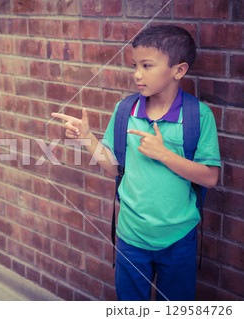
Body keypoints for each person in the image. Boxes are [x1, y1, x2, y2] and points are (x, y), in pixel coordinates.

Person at [51, 25, 221, 301]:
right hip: (131, 237)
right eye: (135, 65)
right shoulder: (125, 111)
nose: (137, 74)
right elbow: (114, 168)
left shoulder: (198, 116)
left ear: (178, 70)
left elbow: (210, 177)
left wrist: (164, 153)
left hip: (179, 239)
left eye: (147, 65)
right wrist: (87, 138)